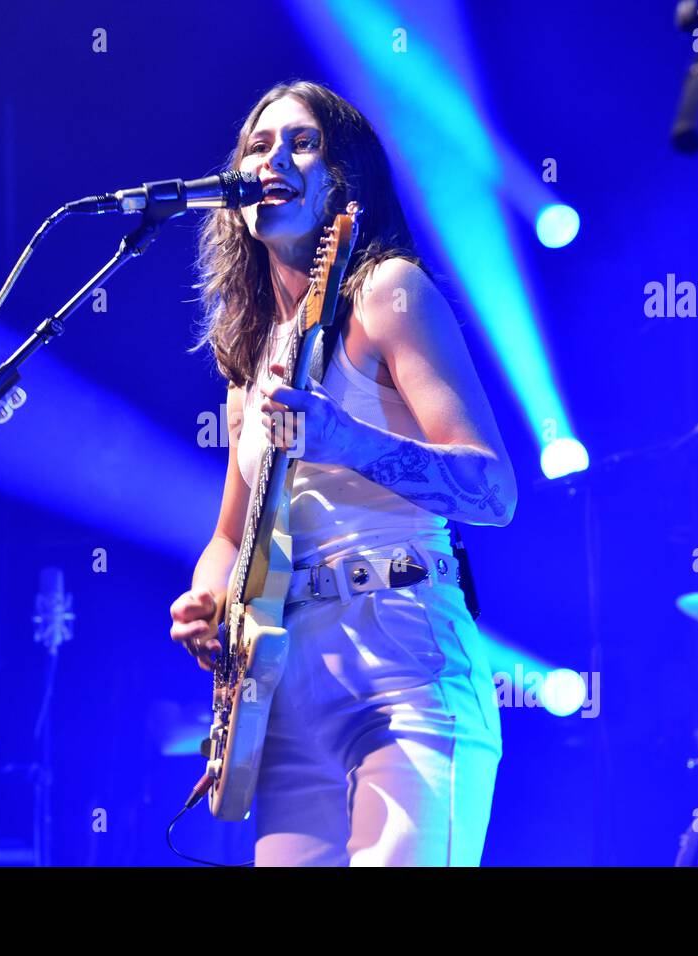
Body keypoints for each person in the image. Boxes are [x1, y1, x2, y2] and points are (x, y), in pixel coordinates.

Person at [169, 80, 517, 866]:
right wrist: (208, 598)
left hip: (405, 659)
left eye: (301, 142)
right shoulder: (247, 363)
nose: (273, 159)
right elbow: (230, 535)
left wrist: (345, 439)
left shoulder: (389, 292)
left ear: (342, 176)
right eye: (257, 146)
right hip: (285, 687)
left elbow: (493, 490)